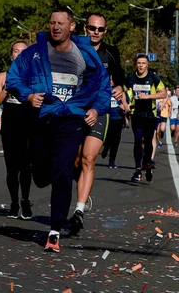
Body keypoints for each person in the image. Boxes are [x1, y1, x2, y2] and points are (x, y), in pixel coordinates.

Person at [6, 8, 110, 253]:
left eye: (61, 23)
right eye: (52, 22)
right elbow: (13, 78)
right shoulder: (34, 53)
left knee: (63, 171)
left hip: (71, 120)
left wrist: (97, 108)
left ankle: (54, 231)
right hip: (43, 118)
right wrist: (28, 95)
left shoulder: (85, 54)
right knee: (42, 175)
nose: (55, 27)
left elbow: (102, 84)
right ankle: (46, 172)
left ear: (72, 27)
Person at [69, 13, 127, 235]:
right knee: (74, 161)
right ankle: (81, 185)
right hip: (75, 110)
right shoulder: (74, 47)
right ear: (85, 27)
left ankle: (79, 211)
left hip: (99, 109)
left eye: (100, 29)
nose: (96, 32)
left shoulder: (110, 52)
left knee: (88, 159)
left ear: (105, 31)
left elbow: (120, 74)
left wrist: (120, 86)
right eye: (92, 27)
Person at [0, 40, 32, 219]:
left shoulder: (34, 76)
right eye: (16, 51)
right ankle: (14, 202)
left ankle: (25, 200)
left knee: (26, 165)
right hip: (10, 123)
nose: (19, 54)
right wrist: (7, 89)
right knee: (12, 167)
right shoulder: (3, 76)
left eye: (23, 51)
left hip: (28, 122)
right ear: (11, 55)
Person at [125, 55, 166, 183]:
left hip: (150, 114)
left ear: (147, 64)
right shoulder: (131, 78)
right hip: (136, 113)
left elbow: (163, 93)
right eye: (139, 63)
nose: (141, 65)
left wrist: (149, 97)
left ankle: (147, 165)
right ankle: (138, 170)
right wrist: (125, 103)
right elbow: (124, 92)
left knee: (148, 141)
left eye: (143, 63)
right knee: (138, 140)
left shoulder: (153, 78)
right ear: (136, 64)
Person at [101, 75, 125, 169]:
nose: (111, 81)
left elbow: (125, 103)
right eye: (109, 79)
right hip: (107, 117)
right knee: (107, 137)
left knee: (116, 140)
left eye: (112, 79)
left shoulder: (120, 90)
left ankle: (112, 161)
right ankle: (106, 147)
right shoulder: (105, 89)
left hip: (118, 118)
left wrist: (124, 106)